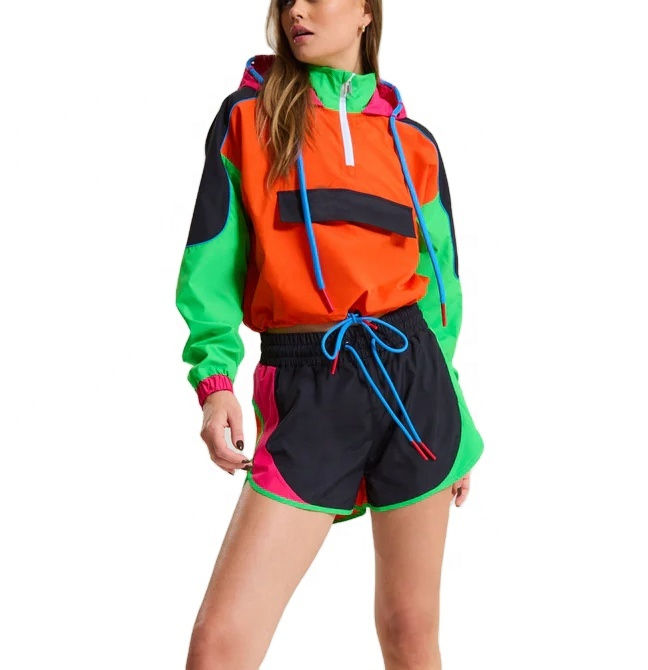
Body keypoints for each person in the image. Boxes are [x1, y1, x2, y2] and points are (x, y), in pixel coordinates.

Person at [175, 1, 485, 668]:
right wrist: (215, 379)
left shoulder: (414, 144)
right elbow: (211, 261)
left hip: (415, 388)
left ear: (367, 12)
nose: (297, 9)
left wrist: (455, 409)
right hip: (308, 385)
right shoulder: (248, 118)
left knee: (410, 631)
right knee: (220, 643)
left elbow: (441, 291)